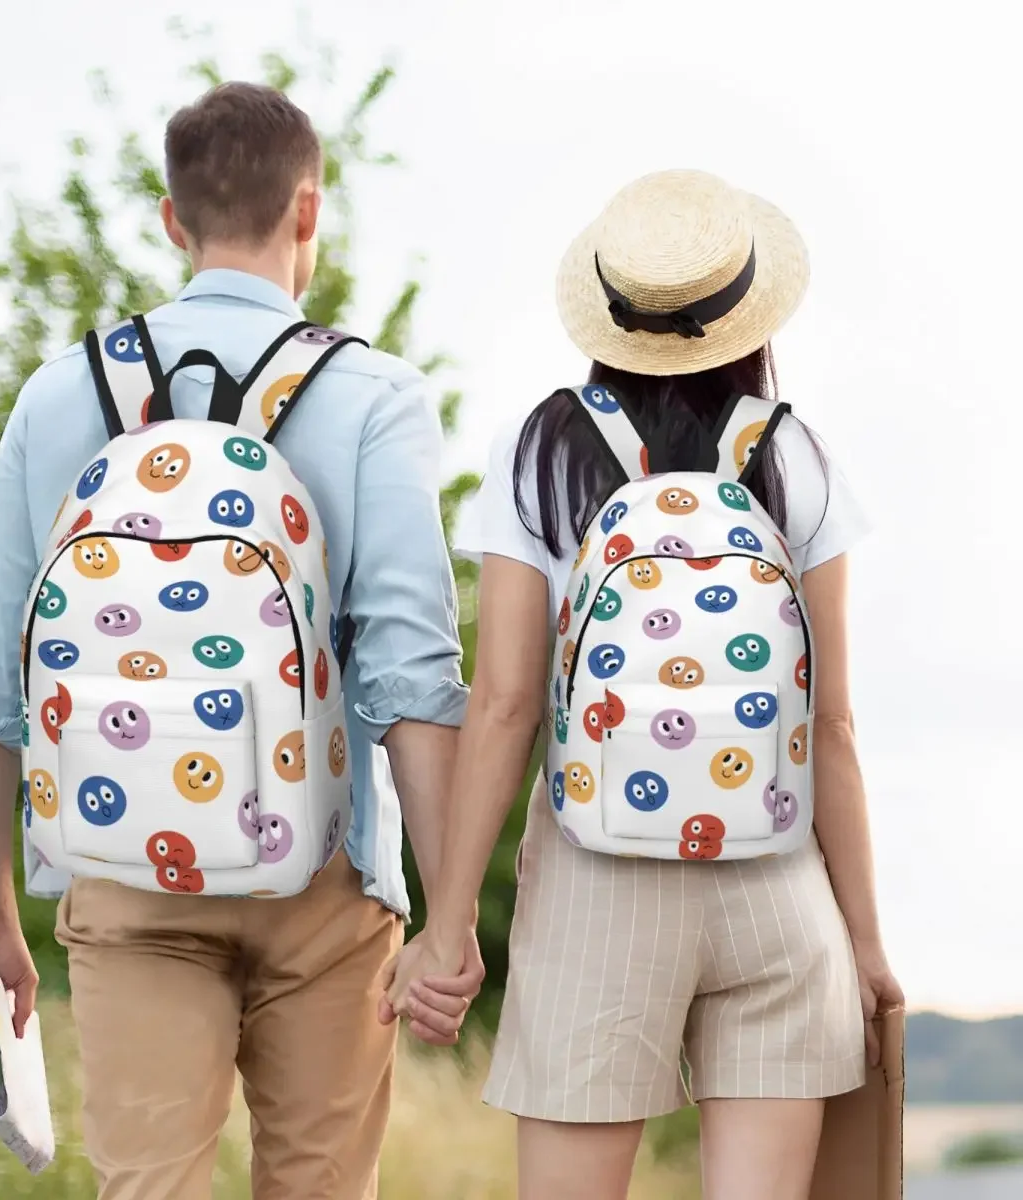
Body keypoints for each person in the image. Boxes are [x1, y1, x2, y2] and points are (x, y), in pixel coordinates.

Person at [0, 81, 482, 1200]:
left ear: (173, 220)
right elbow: (413, 677)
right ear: (309, 213)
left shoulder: (58, 395)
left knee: (148, 1186)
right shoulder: (373, 395)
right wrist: (450, 914)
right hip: (324, 873)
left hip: (124, 867)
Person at [382, 169, 904, 1200]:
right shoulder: (796, 454)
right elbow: (833, 723)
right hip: (777, 883)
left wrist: (446, 928)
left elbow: (505, 705)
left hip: (596, 880)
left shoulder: (541, 449)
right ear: (746, 313)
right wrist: (866, 943)